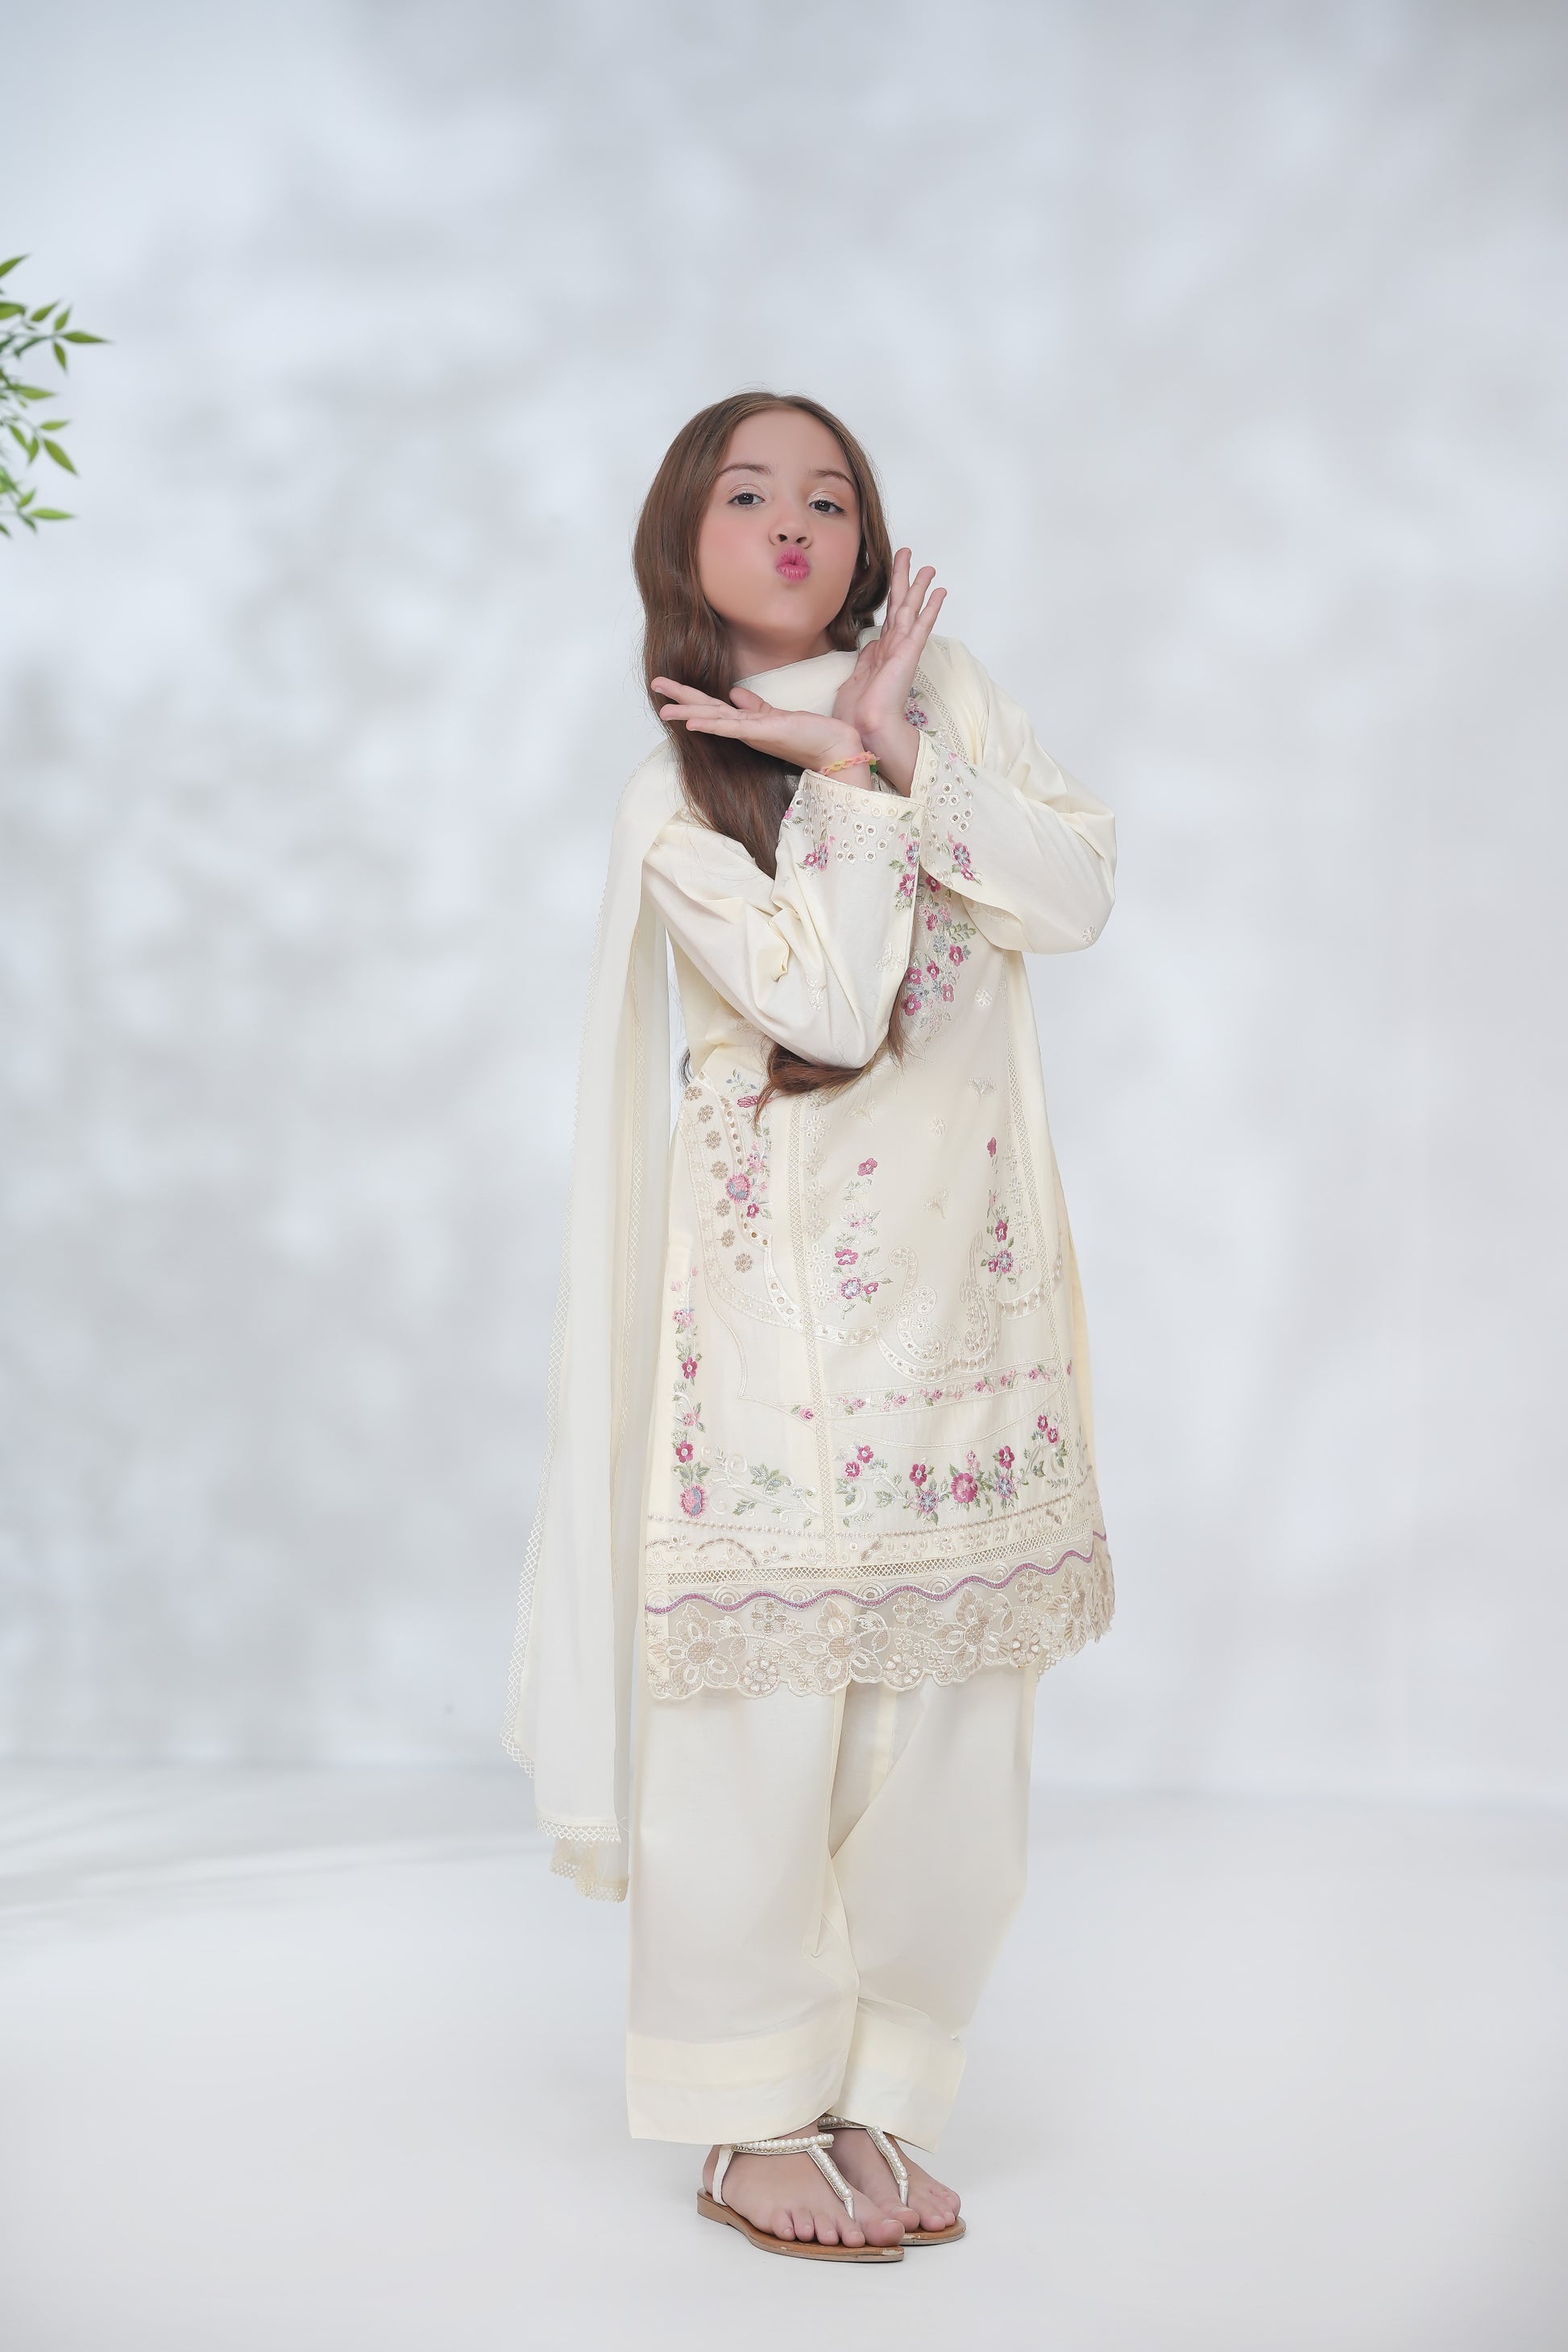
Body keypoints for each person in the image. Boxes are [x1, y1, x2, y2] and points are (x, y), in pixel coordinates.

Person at [504, 392, 1118, 2263]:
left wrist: (902, 736)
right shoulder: (672, 800)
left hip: (967, 1304)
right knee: (762, 1723)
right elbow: (833, 1008)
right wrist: (841, 768)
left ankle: (880, 2090)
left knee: (949, 1723)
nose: (794, 522)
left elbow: (1074, 893)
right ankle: (746, 2107)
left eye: (830, 495)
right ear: (678, 542)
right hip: (772, 1322)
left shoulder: (951, 694)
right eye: (748, 493)